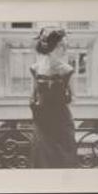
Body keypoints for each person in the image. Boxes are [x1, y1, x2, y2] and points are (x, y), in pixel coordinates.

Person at [28, 25, 79, 168]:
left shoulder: (68, 70)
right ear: (53, 47)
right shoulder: (35, 69)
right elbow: (32, 96)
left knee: (63, 162)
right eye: (62, 45)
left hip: (62, 123)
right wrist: (38, 111)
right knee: (43, 162)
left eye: (66, 45)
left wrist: (56, 101)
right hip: (42, 124)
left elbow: (74, 98)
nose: (65, 49)